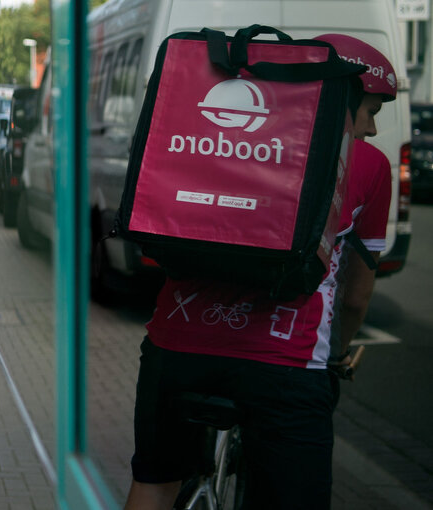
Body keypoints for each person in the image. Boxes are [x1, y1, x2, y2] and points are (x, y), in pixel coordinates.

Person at [123, 34, 397, 510]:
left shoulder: (216, 139)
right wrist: (335, 357)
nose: (371, 131)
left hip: (174, 347)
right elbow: (354, 298)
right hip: (286, 366)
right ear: (339, 97)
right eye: (370, 111)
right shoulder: (369, 165)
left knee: (154, 483)